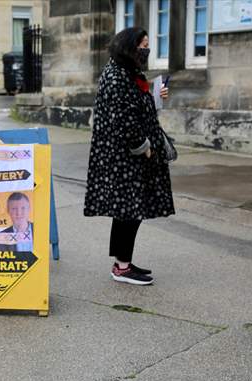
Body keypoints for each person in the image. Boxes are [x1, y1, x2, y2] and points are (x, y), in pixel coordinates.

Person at [83, 27, 175, 285]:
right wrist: (143, 147)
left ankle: (122, 262)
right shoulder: (117, 76)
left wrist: (155, 96)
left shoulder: (128, 72)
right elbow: (124, 118)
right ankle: (122, 268)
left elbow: (137, 108)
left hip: (129, 156)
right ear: (128, 46)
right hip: (125, 158)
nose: (146, 48)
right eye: (142, 44)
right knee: (129, 210)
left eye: (147, 44)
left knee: (129, 210)